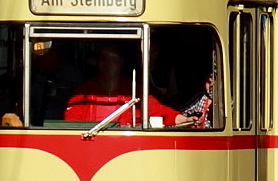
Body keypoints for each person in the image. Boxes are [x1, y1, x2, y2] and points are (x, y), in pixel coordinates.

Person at [64, 45, 192, 126]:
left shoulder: (135, 91)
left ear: (120, 63)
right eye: (104, 59)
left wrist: (184, 120)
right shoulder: (83, 93)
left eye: (113, 59)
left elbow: (159, 111)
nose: (108, 64)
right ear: (98, 62)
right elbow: (71, 124)